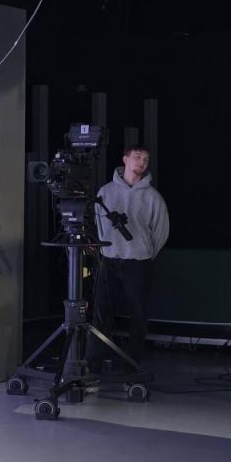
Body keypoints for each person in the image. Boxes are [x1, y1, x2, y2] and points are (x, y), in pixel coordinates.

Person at [92, 145, 169, 369]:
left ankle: (132, 364)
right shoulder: (105, 192)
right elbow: (98, 225)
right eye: (137, 157)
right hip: (109, 261)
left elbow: (160, 231)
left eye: (145, 159)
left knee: (138, 315)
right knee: (101, 313)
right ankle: (94, 362)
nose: (142, 162)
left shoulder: (153, 197)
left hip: (138, 264)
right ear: (125, 159)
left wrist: (145, 253)